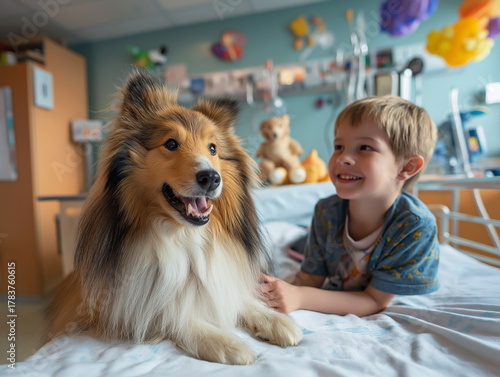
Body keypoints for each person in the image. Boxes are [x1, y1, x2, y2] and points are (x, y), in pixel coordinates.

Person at [260, 95, 439, 316]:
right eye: (339, 146)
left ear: (407, 167)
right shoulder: (326, 212)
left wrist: (300, 297)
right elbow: (309, 280)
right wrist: (276, 290)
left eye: (364, 147)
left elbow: (374, 301)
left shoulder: (414, 226)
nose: (343, 158)